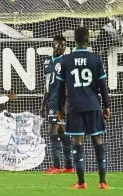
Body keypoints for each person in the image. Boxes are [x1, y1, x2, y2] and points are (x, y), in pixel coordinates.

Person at [56, 27, 110, 189]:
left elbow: (60, 88)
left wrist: (60, 108)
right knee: (98, 141)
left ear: (75, 41)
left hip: (75, 107)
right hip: (93, 105)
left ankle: (81, 182)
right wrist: (106, 105)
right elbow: (102, 85)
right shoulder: (96, 59)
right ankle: (102, 182)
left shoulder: (66, 60)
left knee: (77, 142)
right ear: (88, 41)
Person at [41, 35, 74, 174]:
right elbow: (46, 84)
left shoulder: (66, 61)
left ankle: (56, 166)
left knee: (52, 131)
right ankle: (69, 166)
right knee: (61, 132)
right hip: (51, 99)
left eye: (64, 45)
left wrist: (64, 106)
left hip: (60, 100)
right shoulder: (47, 62)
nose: (62, 48)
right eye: (60, 45)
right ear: (53, 45)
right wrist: (43, 103)